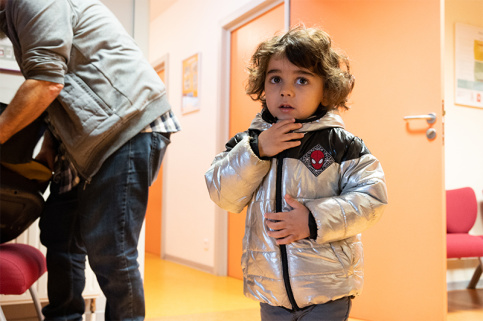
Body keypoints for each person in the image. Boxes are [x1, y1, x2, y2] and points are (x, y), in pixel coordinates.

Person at [0, 0, 180, 320]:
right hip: (83, 139)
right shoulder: (14, 15)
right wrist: (50, 147)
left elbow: (45, 82)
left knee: (111, 251)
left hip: (124, 126)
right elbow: (63, 83)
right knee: (61, 235)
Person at [205, 26, 387, 321]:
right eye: (275, 78)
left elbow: (372, 199)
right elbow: (223, 195)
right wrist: (258, 150)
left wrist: (313, 219)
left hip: (327, 287)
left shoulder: (341, 144)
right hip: (271, 287)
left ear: (326, 90)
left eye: (302, 80)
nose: (285, 90)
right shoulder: (249, 142)